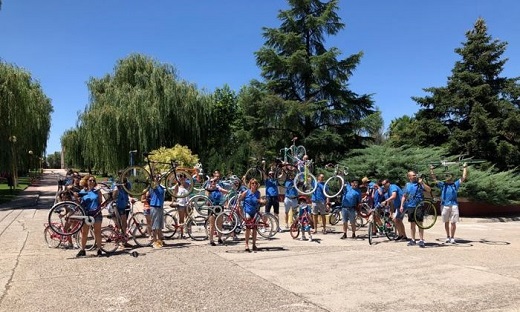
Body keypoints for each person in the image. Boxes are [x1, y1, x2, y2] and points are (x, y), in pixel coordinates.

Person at [430, 163, 468, 244]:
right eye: (446, 176)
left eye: (449, 176)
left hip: (454, 205)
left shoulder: (455, 184)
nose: (448, 178)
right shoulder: (442, 184)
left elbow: (463, 177)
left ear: (452, 177)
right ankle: (448, 236)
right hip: (444, 205)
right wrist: (431, 169)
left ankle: (452, 237)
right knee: (446, 222)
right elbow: (434, 179)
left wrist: (465, 167)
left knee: (453, 222)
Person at [400, 171, 431, 248]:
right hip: (410, 205)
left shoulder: (419, 183)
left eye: (415, 175)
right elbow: (404, 196)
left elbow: (429, 190)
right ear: (409, 177)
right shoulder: (407, 185)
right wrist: (401, 205)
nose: (415, 176)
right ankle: (413, 240)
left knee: (420, 223)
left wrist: (422, 183)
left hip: (419, 205)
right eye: (413, 175)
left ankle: (421, 240)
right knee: (412, 223)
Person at [76, 175, 104, 257]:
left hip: (96, 213)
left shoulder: (97, 191)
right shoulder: (83, 191)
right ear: (86, 181)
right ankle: (83, 249)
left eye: (93, 180)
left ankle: (99, 249)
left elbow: (100, 202)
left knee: (97, 232)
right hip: (86, 214)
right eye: (90, 180)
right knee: (84, 233)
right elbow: (79, 202)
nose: (92, 182)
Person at [238, 178, 266, 252]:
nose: (254, 185)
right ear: (250, 184)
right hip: (247, 211)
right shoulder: (246, 192)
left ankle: (254, 245)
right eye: (252, 183)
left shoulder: (258, 193)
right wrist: (239, 208)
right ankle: (246, 244)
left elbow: (260, 201)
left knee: (254, 229)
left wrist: (261, 201)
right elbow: (239, 199)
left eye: (255, 183)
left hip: (255, 211)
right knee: (248, 228)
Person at [205, 176, 228, 246]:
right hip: (212, 208)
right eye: (211, 181)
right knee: (212, 225)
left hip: (219, 207)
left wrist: (225, 203)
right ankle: (211, 240)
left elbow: (227, 192)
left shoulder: (219, 189)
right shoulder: (208, 190)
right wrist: (209, 192)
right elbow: (206, 200)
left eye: (214, 181)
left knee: (220, 224)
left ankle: (219, 238)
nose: (213, 182)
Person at [170, 173, 190, 239]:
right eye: (180, 177)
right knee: (181, 220)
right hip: (180, 203)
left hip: (187, 203)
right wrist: (173, 202)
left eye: (183, 176)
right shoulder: (177, 185)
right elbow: (174, 194)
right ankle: (181, 233)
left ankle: (188, 232)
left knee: (188, 219)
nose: (182, 178)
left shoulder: (188, 185)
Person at [112, 177, 131, 247]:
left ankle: (124, 241)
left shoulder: (123, 189)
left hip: (123, 207)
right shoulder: (117, 189)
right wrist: (116, 190)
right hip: (117, 208)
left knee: (124, 225)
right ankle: (117, 241)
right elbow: (113, 198)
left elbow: (126, 197)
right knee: (118, 225)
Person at [148, 175, 165, 249]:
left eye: (159, 177)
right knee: (155, 225)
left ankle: (159, 240)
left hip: (160, 207)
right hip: (154, 206)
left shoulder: (161, 187)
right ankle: (154, 242)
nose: (159, 178)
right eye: (157, 177)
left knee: (159, 226)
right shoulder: (153, 186)